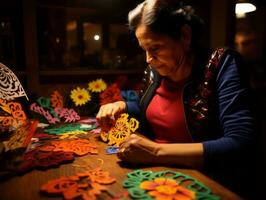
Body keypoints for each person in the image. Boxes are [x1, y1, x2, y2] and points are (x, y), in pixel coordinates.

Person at [97, 0, 258, 198]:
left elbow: (239, 144)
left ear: (184, 36)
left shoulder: (221, 64)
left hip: (207, 182)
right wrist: (122, 105)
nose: (148, 58)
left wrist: (156, 152)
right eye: (144, 49)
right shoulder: (154, 71)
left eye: (155, 47)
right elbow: (157, 110)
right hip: (157, 176)